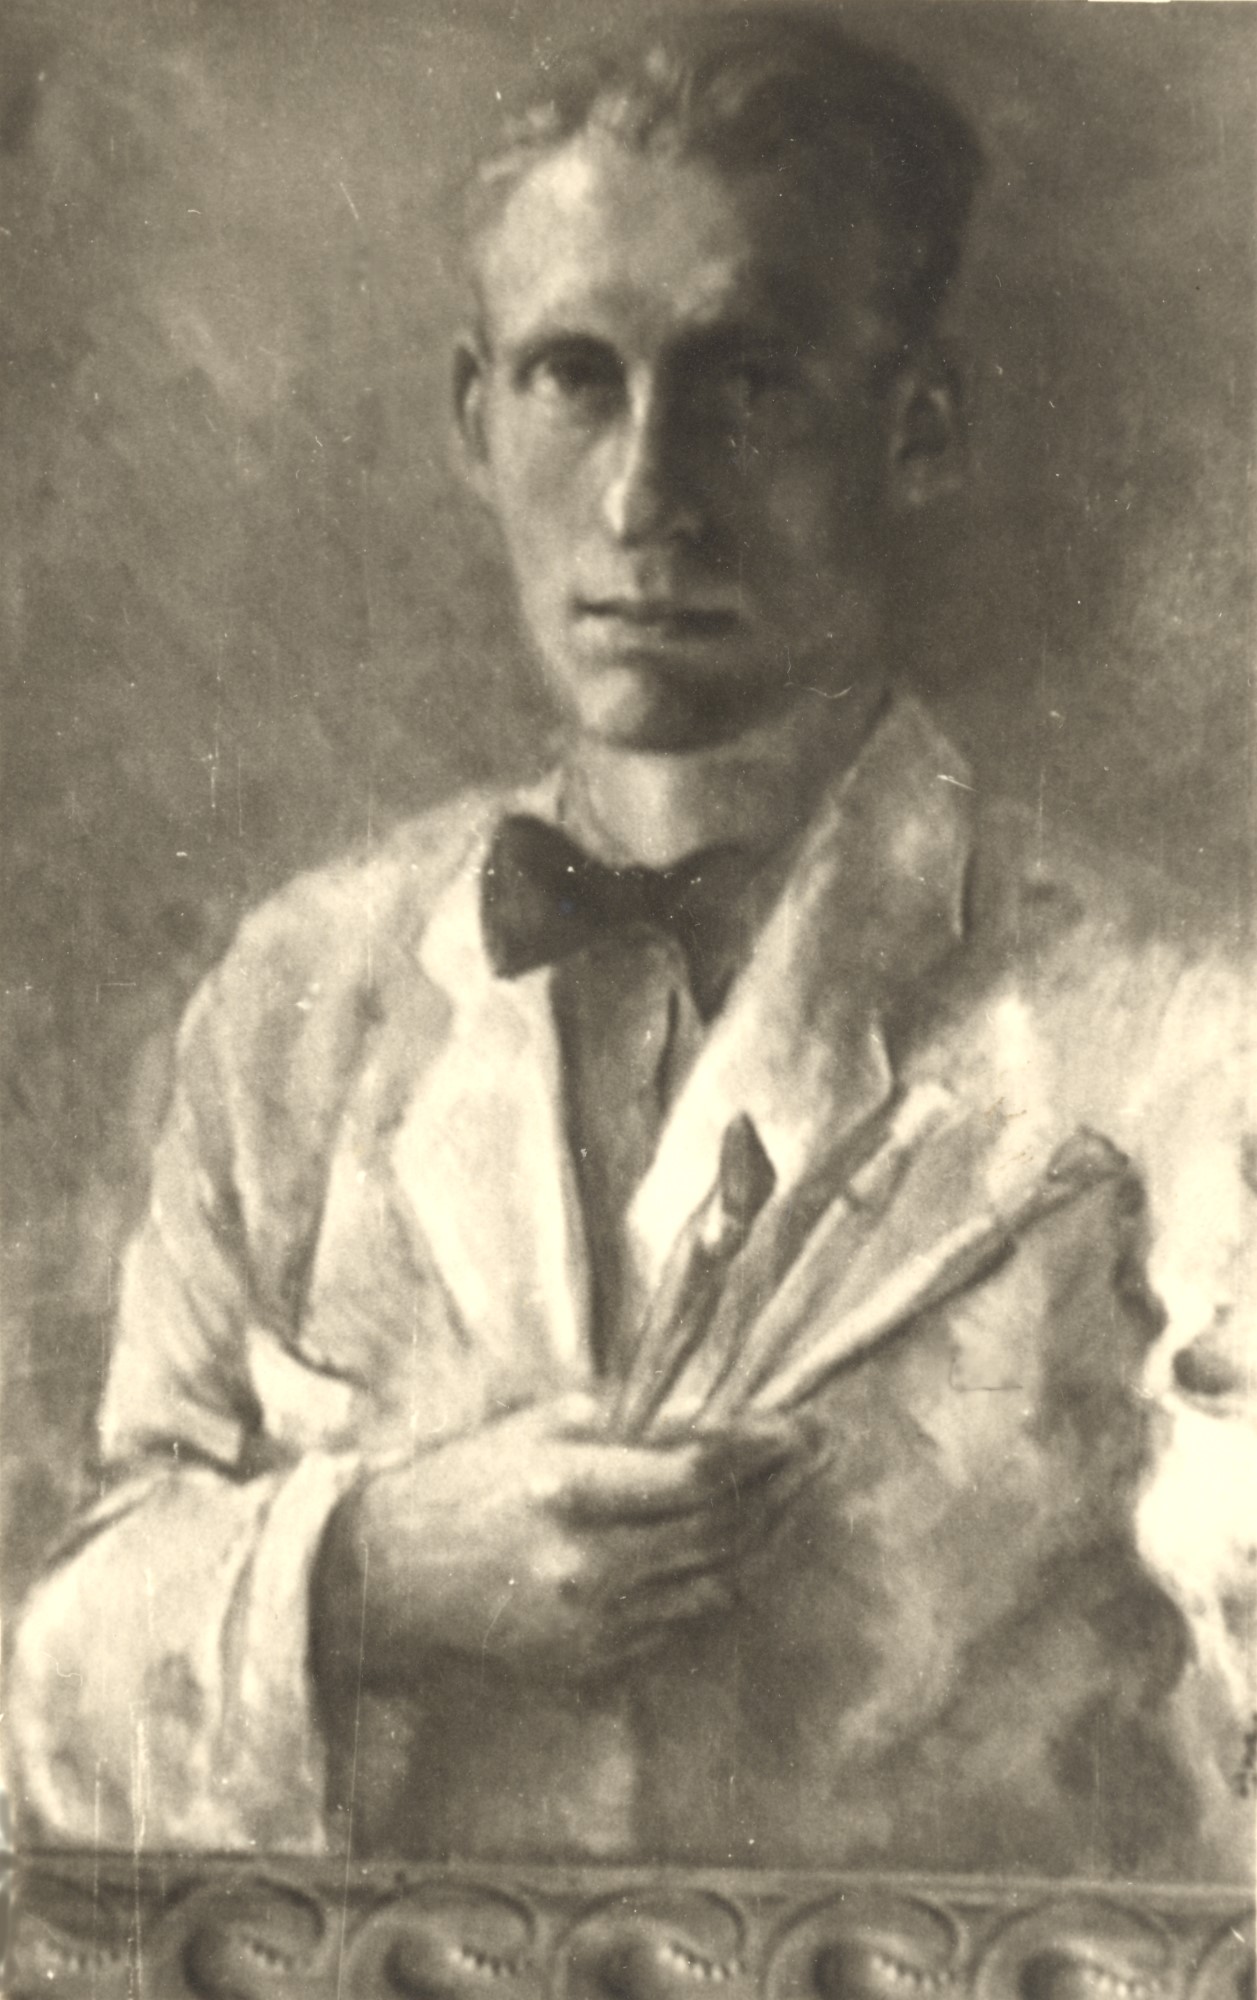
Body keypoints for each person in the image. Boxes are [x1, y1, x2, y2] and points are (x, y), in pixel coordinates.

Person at [10, 7, 1253, 1877]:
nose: (643, 495)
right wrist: (362, 1569)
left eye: (746, 384)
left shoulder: (1173, 1044)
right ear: (473, 417)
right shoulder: (299, 996)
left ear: (915, 430)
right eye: (573, 380)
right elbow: (57, 1699)